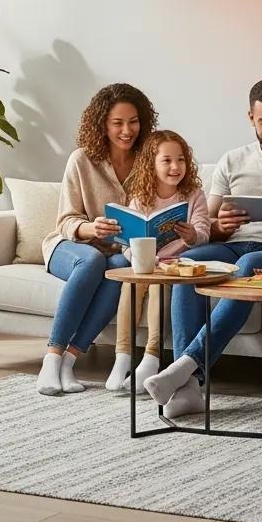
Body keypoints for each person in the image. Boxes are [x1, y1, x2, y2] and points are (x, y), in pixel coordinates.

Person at [144, 78, 262, 417]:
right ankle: (189, 389)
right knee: (187, 262)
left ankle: (187, 367)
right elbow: (210, 225)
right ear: (251, 118)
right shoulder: (232, 160)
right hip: (232, 246)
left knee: (250, 263)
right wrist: (223, 225)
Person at [38, 83, 158, 396]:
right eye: (117, 123)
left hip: (116, 251)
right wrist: (91, 229)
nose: (127, 130)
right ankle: (51, 360)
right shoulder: (82, 160)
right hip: (70, 248)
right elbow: (65, 221)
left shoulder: (148, 161)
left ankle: (70, 361)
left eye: (133, 121)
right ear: (102, 124)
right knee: (92, 260)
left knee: (120, 268)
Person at [106, 130, 210, 394]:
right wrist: (140, 258)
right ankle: (122, 358)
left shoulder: (194, 195)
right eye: (167, 161)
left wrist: (192, 236)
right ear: (151, 164)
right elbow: (126, 243)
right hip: (146, 263)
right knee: (131, 284)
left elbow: (204, 232)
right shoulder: (140, 198)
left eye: (181, 160)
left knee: (157, 286)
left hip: (174, 266)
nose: (175, 167)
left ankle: (151, 359)